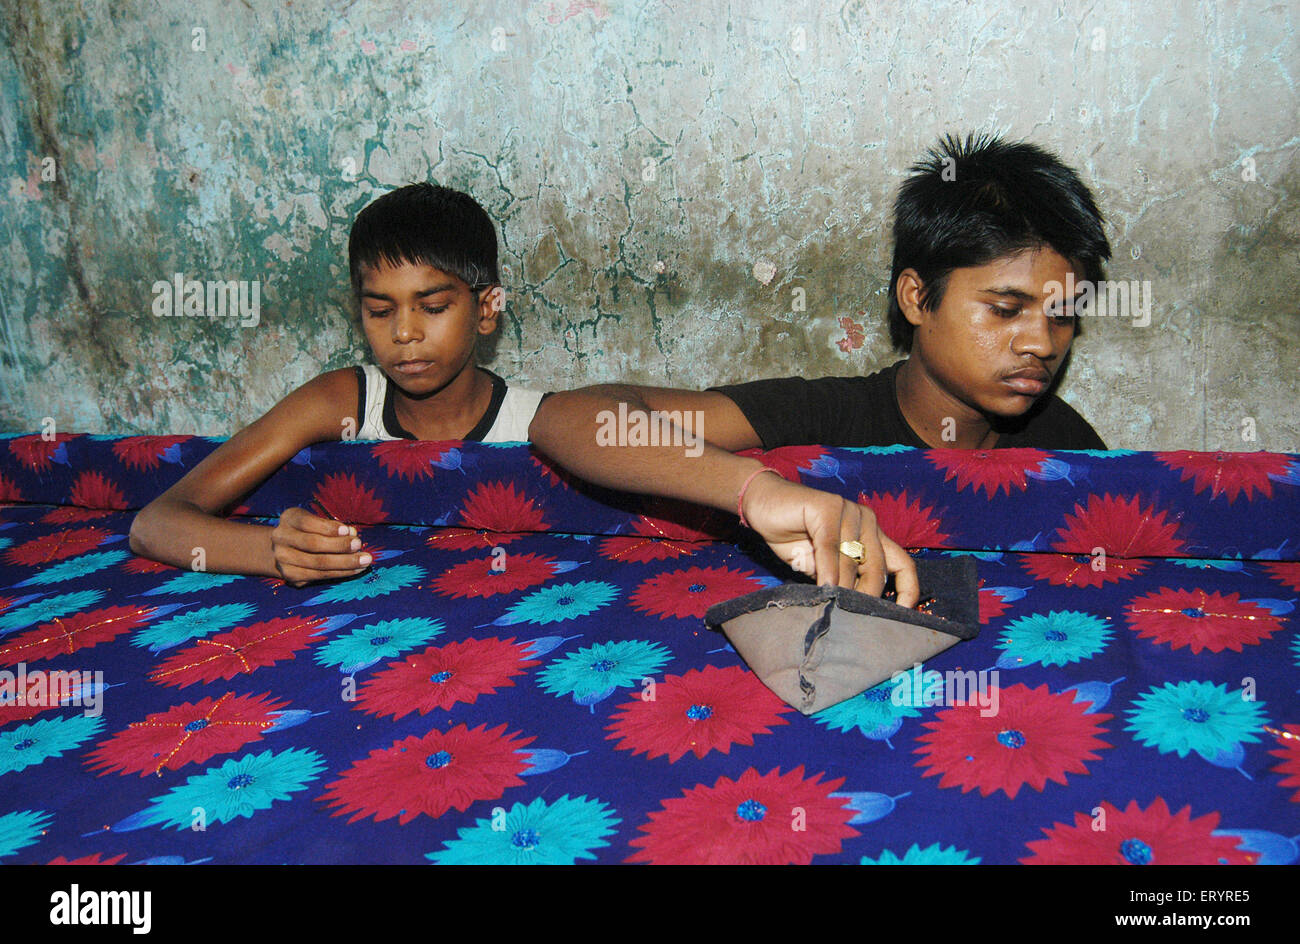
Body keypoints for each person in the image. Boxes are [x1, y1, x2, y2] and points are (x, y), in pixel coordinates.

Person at [529, 133, 1113, 608]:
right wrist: (755, 491)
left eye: (1063, 315)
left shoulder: (1070, 453)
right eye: (1006, 309)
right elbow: (570, 420)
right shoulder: (824, 417)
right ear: (915, 298)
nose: (1042, 342)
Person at [131, 183, 543, 585]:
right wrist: (275, 550)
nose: (404, 333)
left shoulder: (535, 421)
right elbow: (154, 524)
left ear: (488, 309)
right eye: (380, 311)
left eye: (432, 307)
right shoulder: (345, 401)